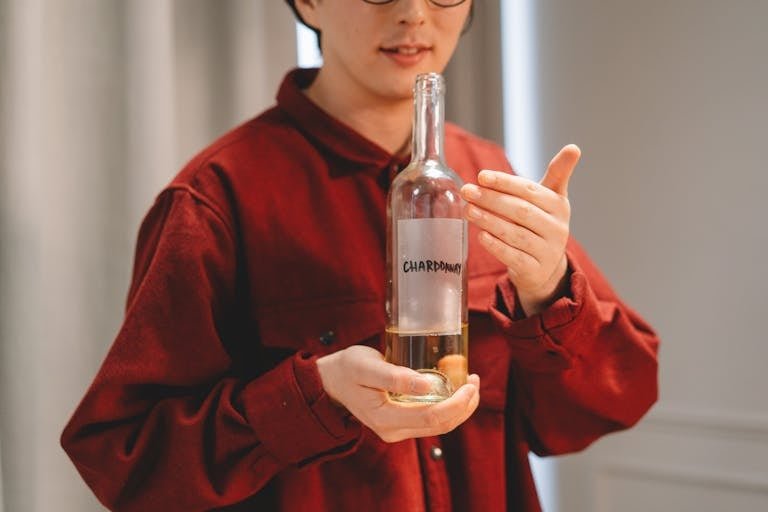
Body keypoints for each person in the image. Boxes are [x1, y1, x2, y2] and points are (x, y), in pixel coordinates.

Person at [61, 1, 660, 510]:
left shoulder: (490, 176)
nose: (413, 13)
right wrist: (314, 396)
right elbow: (123, 458)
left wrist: (549, 289)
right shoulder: (217, 198)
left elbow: (620, 395)